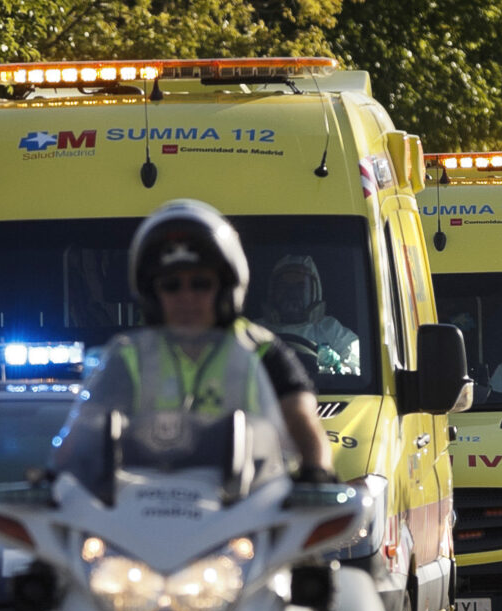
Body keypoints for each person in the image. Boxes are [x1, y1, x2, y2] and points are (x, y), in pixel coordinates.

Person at [82, 200, 336, 478]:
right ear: (152, 296)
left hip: (249, 507)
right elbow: (87, 428)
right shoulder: (128, 355)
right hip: (143, 507)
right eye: (171, 286)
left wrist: (318, 473)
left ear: (226, 289)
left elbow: (302, 418)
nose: (186, 298)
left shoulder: (260, 349)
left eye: (201, 284)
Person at [258, 253, 362, 378]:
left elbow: (359, 365)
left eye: (300, 287)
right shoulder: (257, 331)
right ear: (273, 291)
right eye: (285, 287)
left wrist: (339, 366)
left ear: (315, 290)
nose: (292, 294)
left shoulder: (330, 329)